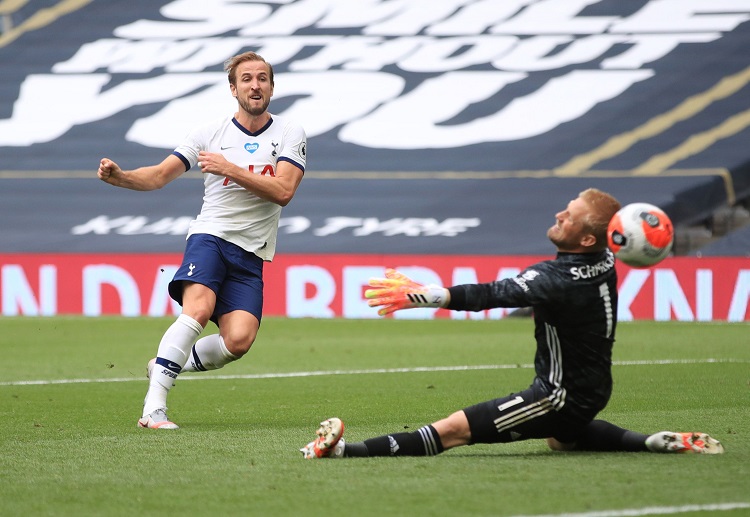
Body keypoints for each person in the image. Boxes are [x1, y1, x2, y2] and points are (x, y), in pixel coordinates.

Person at [300, 188, 724, 458]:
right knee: (563, 439)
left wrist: (428, 294)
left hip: (556, 396)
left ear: (589, 240)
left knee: (452, 431)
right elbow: (624, 236)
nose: (560, 214)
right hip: (592, 389)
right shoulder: (607, 260)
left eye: (570, 216)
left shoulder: (555, 279)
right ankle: (650, 441)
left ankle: (343, 453)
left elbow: (493, 294)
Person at [98, 51, 307, 429]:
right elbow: (160, 175)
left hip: (252, 253)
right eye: (247, 79)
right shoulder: (209, 133)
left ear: (272, 87)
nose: (255, 85)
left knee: (238, 341)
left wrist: (229, 168)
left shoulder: (289, 133)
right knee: (196, 309)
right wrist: (122, 177)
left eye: (262, 78)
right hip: (210, 237)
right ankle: (154, 408)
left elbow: (283, 191)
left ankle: (164, 364)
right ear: (233, 88)